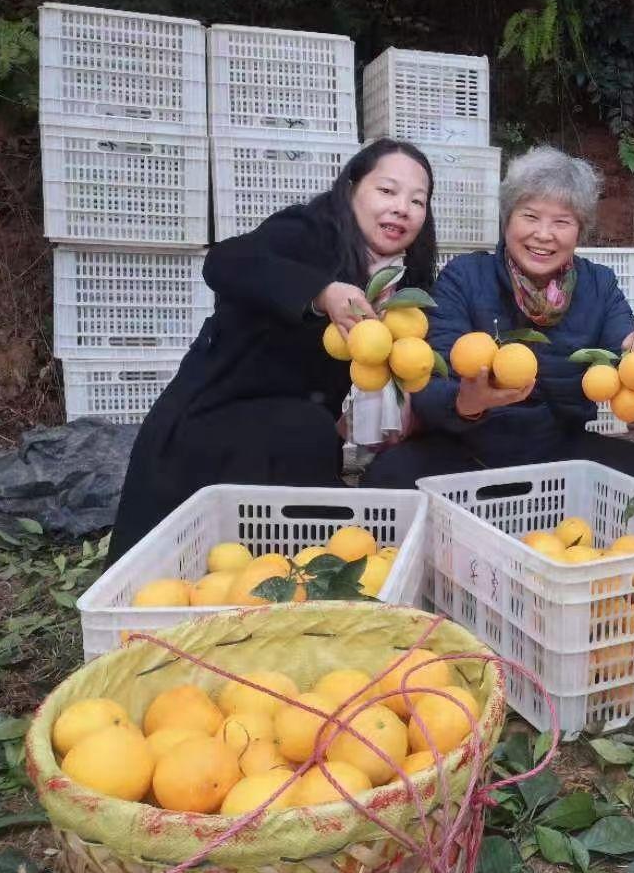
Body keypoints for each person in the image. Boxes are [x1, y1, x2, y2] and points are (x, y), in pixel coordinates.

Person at [106, 139, 437, 563]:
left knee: (283, 561)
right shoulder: (308, 231)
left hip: (298, 430)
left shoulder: (404, 280)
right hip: (216, 417)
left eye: (417, 200)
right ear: (352, 187)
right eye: (387, 191)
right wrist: (321, 292)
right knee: (191, 561)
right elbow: (226, 262)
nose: (402, 208)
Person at [364, 146, 634, 490]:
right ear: (507, 219)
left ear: (579, 231)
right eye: (530, 216)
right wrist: (468, 402)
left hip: (560, 454)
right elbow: (427, 382)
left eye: (561, 221)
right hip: (468, 451)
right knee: (388, 477)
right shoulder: (465, 278)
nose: (543, 234)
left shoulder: (599, 286)